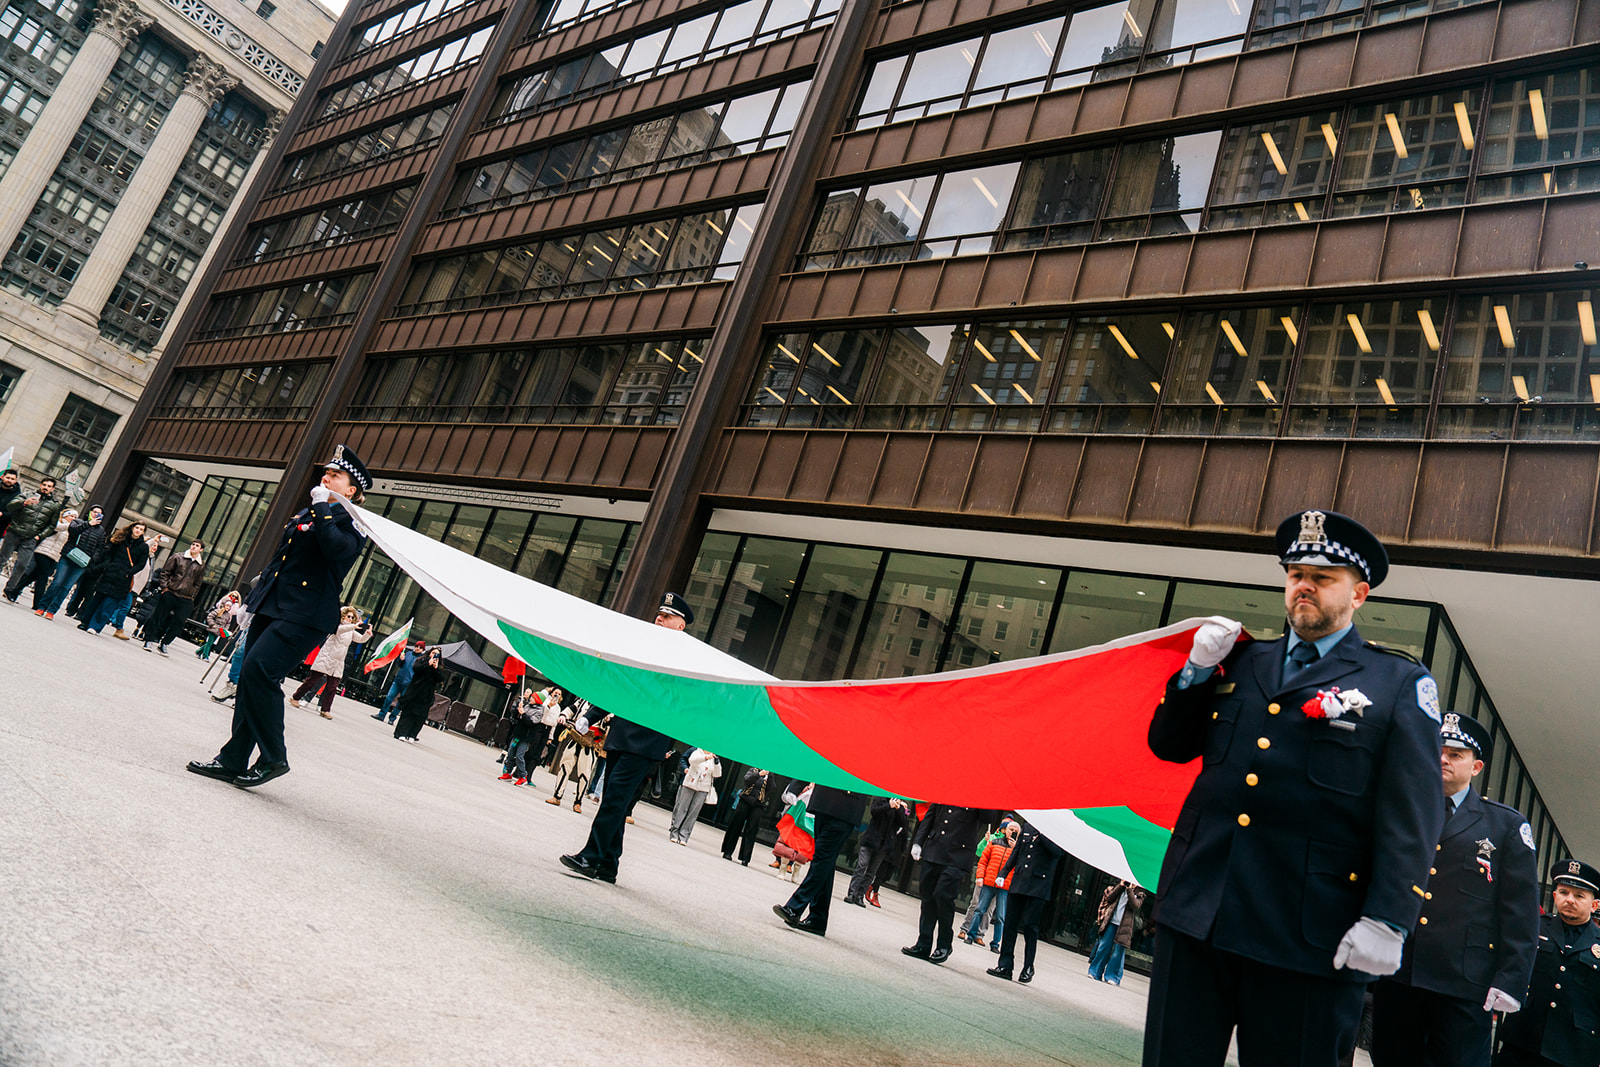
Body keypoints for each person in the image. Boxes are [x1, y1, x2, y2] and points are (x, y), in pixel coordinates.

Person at [1143, 510, 1447, 1067]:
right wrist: (1191, 676)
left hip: (1310, 936)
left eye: (1323, 577)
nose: (1304, 585)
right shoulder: (1240, 660)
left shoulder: (1398, 684)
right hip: (1200, 912)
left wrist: (1389, 916)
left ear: (1359, 595)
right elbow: (1169, 745)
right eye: (1295, 573)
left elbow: (1413, 815)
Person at [185, 445, 369, 789]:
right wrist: (251, 605)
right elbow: (280, 560)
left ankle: (273, 757)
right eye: (325, 473)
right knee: (252, 678)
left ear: (351, 490)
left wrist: (322, 507)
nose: (325, 477)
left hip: (307, 613)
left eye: (335, 476)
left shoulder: (353, 523)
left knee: (259, 672)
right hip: (274, 606)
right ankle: (232, 760)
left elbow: (334, 549)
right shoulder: (309, 512)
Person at [1370, 711, 1540, 1067]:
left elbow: (1520, 913)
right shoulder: (1403, 806)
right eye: (1438, 750)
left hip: (1463, 981)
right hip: (1400, 971)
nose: (1443, 759)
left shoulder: (1506, 826)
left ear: (1476, 767)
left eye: (1456, 754)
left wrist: (1511, 979)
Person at [559, 593, 695, 884]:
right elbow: (619, 685)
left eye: (667, 616)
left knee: (614, 800)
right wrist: (590, 716)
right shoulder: (642, 648)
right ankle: (608, 864)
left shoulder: (685, 661)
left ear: (681, 626)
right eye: (659, 614)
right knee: (614, 800)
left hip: (646, 741)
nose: (659, 618)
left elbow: (681, 704)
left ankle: (590, 856)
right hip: (622, 736)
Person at [1494, 860, 1600, 1067]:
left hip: (1573, 1051)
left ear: (1594, 904)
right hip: (1523, 1041)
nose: (1570, 900)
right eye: (1563, 892)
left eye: (1579, 896)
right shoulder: (1536, 928)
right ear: (1554, 896)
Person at [902, 805, 1002, 964]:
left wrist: (984, 792)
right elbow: (931, 816)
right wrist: (918, 842)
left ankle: (944, 944)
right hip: (935, 849)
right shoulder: (949, 789)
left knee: (943, 896)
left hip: (958, 856)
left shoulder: (978, 794)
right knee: (927, 899)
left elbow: (988, 817)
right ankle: (923, 944)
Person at [773, 784, 868, 937]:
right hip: (824, 802)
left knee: (822, 860)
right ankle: (818, 918)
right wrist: (795, 787)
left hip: (845, 807)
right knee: (826, 864)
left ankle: (794, 907)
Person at [987, 818, 1065, 984]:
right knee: (1010, 924)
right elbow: (1017, 853)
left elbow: (1057, 853)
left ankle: (1028, 966)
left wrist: (1043, 833)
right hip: (1020, 882)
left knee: (1030, 926)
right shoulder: (1027, 826)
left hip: (1038, 886)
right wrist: (1003, 873)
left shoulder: (1055, 829)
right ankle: (1005, 965)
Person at [290, 606, 373, 719]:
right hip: (326, 658)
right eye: (348, 616)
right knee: (311, 681)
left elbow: (360, 639)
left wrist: (367, 633)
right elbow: (339, 630)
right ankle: (296, 697)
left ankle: (325, 710)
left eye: (352, 617)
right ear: (343, 615)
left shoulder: (350, 631)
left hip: (338, 662)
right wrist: (354, 626)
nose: (350, 618)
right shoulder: (337, 625)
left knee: (332, 687)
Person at [76, 521, 152, 636]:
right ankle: (85, 622)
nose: (138, 531)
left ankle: (95, 626)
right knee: (97, 599)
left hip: (123, 578)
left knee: (109, 604)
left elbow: (140, 564)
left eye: (141, 530)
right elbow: (109, 553)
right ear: (132, 528)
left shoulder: (143, 547)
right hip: (109, 573)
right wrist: (107, 566)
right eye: (137, 528)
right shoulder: (121, 540)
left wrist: (129, 573)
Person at [2, 476, 66, 600]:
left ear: (52, 489)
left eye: (49, 486)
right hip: (15, 531)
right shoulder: (27, 494)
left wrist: (39, 536)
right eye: (44, 485)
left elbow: (52, 525)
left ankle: (10, 589)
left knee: (22, 564)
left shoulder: (55, 505)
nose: (45, 488)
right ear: (40, 485)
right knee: (2, 558)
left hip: (31, 537)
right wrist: (24, 503)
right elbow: (10, 506)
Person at [142, 538, 206, 655]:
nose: (193, 547)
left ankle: (165, 643)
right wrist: (165, 588)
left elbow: (198, 583)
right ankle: (148, 639)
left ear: (201, 550)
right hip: (171, 592)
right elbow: (165, 573)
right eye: (193, 544)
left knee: (180, 621)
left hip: (186, 597)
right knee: (159, 616)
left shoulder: (200, 565)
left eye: (197, 546)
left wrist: (192, 596)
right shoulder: (178, 557)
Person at [959, 820, 1018, 946]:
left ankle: (986, 938)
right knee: (977, 906)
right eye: (1010, 829)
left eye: (1015, 831)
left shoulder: (1018, 849)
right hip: (987, 881)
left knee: (996, 913)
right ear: (1004, 829)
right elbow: (981, 856)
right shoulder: (993, 841)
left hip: (1004, 885)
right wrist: (980, 876)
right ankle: (967, 931)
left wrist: (1015, 850)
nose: (1012, 833)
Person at [12, 508, 75, 608]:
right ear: (65, 516)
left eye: (75, 517)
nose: (73, 518)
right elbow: (57, 527)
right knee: (43, 577)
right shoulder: (57, 523)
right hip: (43, 551)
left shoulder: (71, 530)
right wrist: (71, 526)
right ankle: (38, 604)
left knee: (33, 575)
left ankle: (14, 590)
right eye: (71, 516)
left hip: (55, 556)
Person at [1087, 879, 1147, 985]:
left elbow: (1135, 905)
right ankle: (1095, 972)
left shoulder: (1140, 893)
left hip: (1124, 926)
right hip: (1111, 923)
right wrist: (1120, 886)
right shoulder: (1120, 888)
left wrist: (1130, 890)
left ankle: (1113, 977)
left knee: (1118, 953)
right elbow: (1109, 898)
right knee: (1103, 948)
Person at [61, 505, 109, 619]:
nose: (96, 514)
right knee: (60, 582)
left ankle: (78, 612)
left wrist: (92, 559)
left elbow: (100, 547)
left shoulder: (101, 531)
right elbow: (73, 532)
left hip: (86, 562)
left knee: (78, 588)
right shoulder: (78, 522)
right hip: (70, 555)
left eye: (99, 513)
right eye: (94, 512)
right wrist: (89, 523)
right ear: (89, 512)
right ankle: (70, 608)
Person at [668, 748, 721, 844]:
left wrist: (717, 763)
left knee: (693, 813)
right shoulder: (697, 752)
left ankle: (684, 836)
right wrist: (705, 757)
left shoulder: (714, 757)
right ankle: (674, 833)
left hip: (703, 789)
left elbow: (717, 774)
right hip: (689, 784)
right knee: (681, 809)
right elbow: (692, 760)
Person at [722, 768, 772, 865]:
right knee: (735, 826)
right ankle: (727, 852)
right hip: (745, 800)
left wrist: (770, 776)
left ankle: (745, 858)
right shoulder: (753, 770)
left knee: (751, 830)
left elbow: (771, 788)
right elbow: (747, 781)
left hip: (758, 804)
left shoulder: (770, 774)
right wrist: (759, 774)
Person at [393, 644, 441, 743]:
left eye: (437, 654)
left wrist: (436, 668)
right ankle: (401, 733)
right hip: (415, 691)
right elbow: (416, 669)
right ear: (429, 653)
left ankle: (412, 734)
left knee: (419, 716)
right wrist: (428, 664)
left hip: (426, 695)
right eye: (433, 653)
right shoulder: (422, 660)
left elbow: (440, 679)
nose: (434, 656)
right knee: (408, 713)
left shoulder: (438, 666)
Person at [373, 638, 425, 725]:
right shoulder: (407, 654)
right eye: (417, 646)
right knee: (389, 697)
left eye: (420, 647)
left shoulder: (421, 659)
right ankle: (382, 714)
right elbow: (399, 665)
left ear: (423, 650)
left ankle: (392, 718)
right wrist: (401, 659)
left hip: (408, 683)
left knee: (400, 702)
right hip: (398, 680)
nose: (417, 648)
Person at [195, 591, 240, 659]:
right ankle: (205, 656)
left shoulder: (229, 613)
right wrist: (212, 624)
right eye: (232, 595)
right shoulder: (219, 609)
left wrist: (235, 604)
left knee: (211, 642)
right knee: (210, 642)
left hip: (220, 629)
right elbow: (210, 616)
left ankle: (199, 651)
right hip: (213, 627)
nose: (233, 597)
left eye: (235, 597)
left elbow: (232, 616)